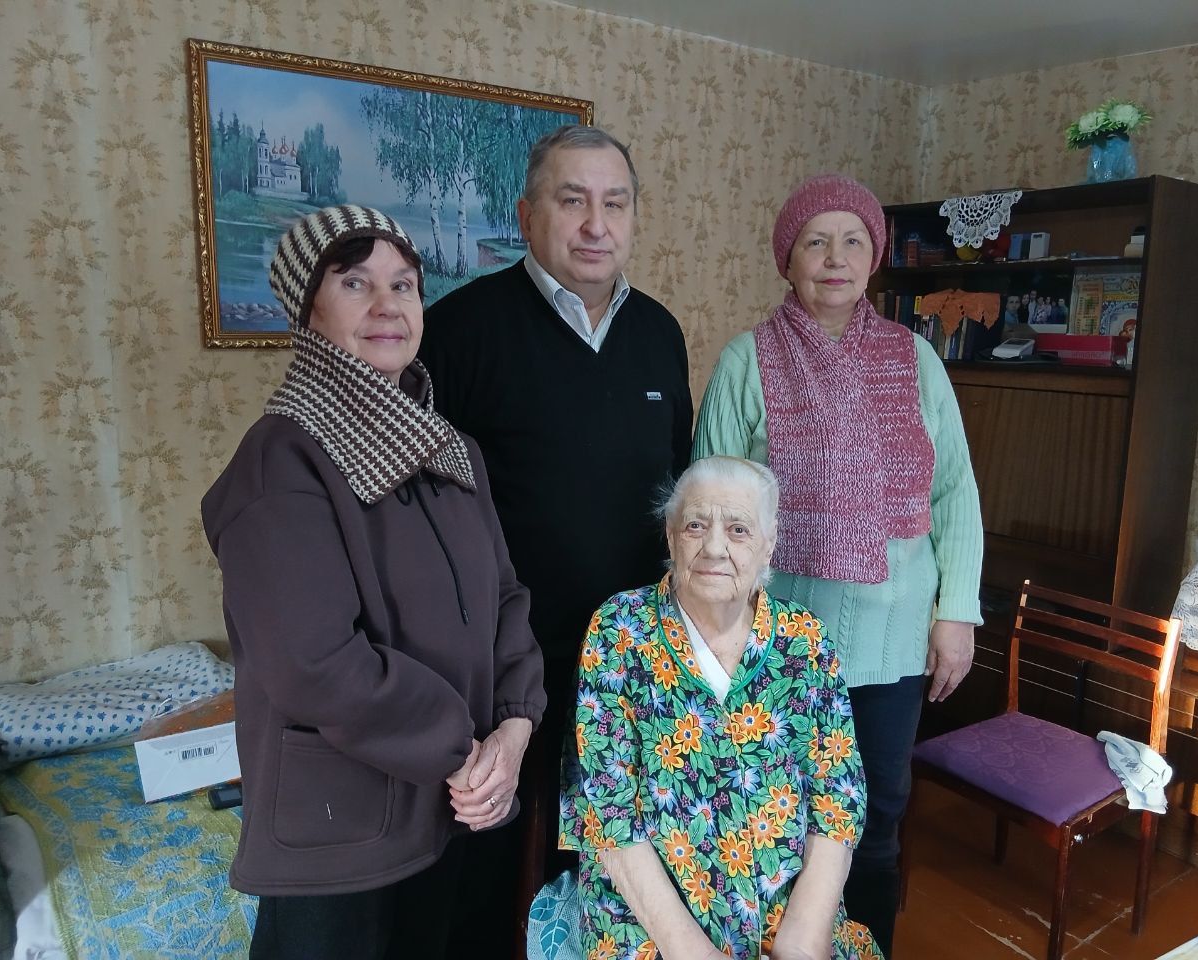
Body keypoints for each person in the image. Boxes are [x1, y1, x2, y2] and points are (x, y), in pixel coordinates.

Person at [202, 205, 546, 959]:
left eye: (404, 285)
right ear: (309, 309)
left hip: (462, 810)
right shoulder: (283, 460)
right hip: (346, 838)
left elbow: (505, 599)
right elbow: (314, 664)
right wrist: (466, 751)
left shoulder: (450, 449)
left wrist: (515, 727)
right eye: (355, 283)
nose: (388, 305)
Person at [692, 175, 984, 957]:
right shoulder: (746, 361)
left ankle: (866, 946)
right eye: (815, 242)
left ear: (874, 258)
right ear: (787, 260)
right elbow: (709, 511)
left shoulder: (917, 360)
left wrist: (957, 614)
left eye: (853, 241)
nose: (835, 258)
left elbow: (954, 491)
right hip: (777, 643)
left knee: (876, 816)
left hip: (894, 643)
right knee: (772, 816)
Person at [418, 123, 693, 923]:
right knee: (487, 874)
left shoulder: (660, 334)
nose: (596, 225)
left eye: (615, 203)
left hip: (630, 662)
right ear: (527, 215)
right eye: (572, 201)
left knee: (613, 871)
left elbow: (677, 490)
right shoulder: (458, 331)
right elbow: (419, 518)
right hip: (499, 667)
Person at [561, 455, 883, 960]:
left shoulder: (805, 640)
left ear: (768, 545)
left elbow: (838, 799)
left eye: (738, 530)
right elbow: (609, 815)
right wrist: (693, 952)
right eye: (695, 525)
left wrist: (802, 938)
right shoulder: (619, 630)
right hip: (649, 921)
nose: (714, 547)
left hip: (785, 909)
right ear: (670, 537)